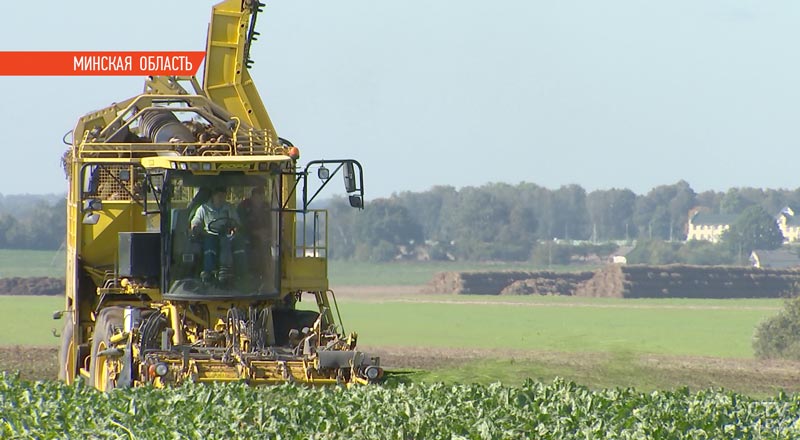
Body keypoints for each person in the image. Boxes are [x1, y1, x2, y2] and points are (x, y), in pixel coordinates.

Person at [190, 187, 241, 284]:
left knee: (229, 241)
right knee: (210, 243)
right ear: (213, 196)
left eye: (223, 195)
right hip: (209, 235)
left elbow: (236, 223)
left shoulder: (229, 208)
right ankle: (209, 271)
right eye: (219, 195)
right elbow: (195, 222)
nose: (221, 198)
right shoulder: (203, 208)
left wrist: (235, 228)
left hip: (226, 235)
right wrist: (195, 227)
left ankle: (226, 270)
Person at [238, 188, 273, 281]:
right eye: (258, 197)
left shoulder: (267, 207)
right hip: (246, 235)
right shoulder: (243, 207)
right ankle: (249, 273)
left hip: (263, 237)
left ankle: (266, 274)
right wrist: (256, 232)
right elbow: (241, 224)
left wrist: (267, 232)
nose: (260, 200)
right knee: (246, 245)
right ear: (252, 197)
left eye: (262, 197)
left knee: (267, 246)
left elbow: (271, 223)